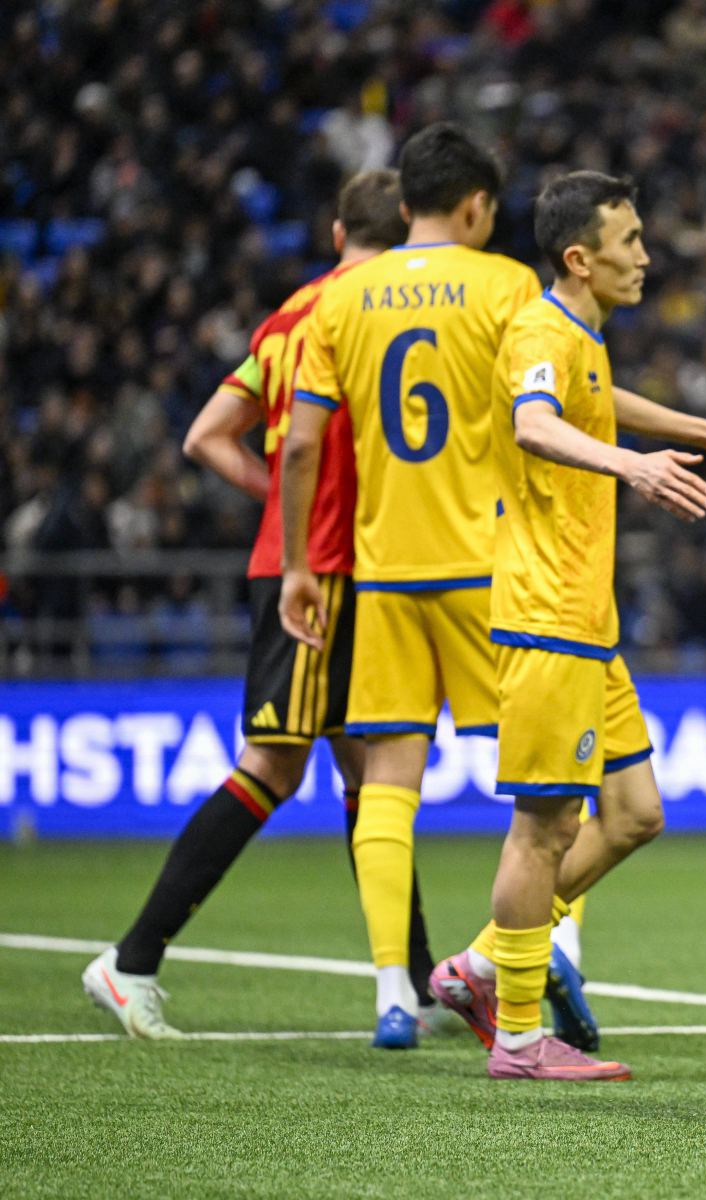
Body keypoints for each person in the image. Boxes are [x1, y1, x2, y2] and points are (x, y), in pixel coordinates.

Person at [426, 170, 706, 1079]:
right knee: (544, 828)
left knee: (634, 814)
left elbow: (599, 400)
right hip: (545, 615)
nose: (645, 256)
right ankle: (520, 1037)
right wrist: (633, 468)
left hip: (587, 620)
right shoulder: (538, 330)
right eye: (629, 241)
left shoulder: (581, 338)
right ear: (579, 258)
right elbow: (535, 424)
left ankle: (481, 965)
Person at [81, 171, 446, 1039]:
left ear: (336, 233)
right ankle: (131, 960)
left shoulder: (285, 319)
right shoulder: (370, 309)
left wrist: (283, 509)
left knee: (369, 771)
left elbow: (206, 435)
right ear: (405, 228)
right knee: (276, 765)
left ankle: (420, 983)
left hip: (307, 558)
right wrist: (303, 521)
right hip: (321, 569)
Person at [278, 124, 540, 1049]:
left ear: (402, 204)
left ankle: (395, 992)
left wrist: (300, 565)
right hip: (486, 565)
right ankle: (531, 962)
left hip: (384, 571)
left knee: (389, 777)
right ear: (476, 206)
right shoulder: (507, 285)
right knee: (548, 780)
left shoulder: (341, 296)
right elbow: (543, 415)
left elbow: (301, 444)